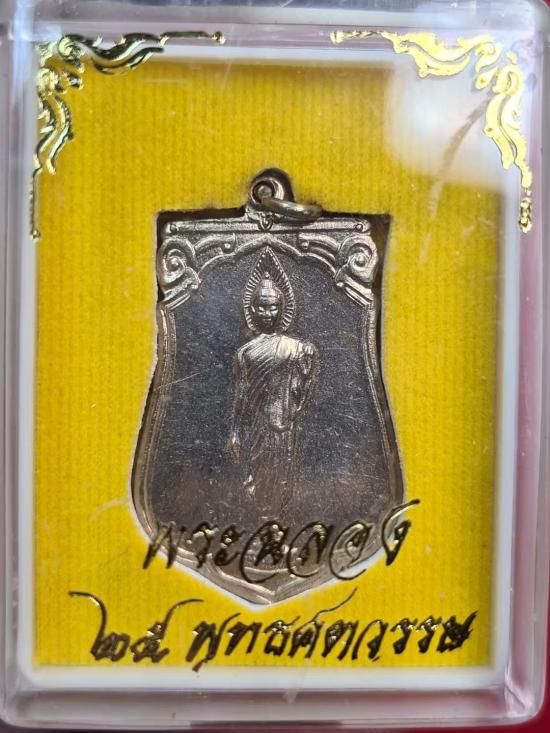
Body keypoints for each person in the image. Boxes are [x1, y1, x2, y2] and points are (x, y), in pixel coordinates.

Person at [227, 266, 318, 515]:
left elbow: (303, 389)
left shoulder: (297, 348)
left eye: (273, 307)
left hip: (282, 425)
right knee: (258, 477)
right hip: (258, 426)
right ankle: (263, 516)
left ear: (282, 308)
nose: (268, 313)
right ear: (252, 309)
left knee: (281, 477)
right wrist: (235, 431)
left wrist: (290, 403)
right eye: (262, 307)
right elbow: (241, 394)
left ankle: (275, 516)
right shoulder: (245, 353)